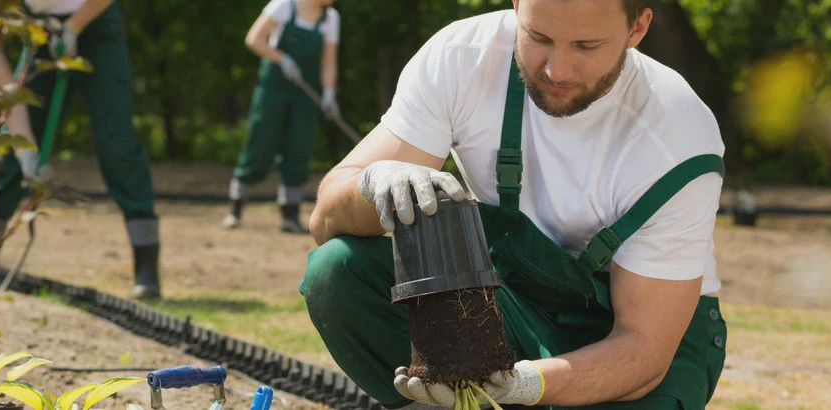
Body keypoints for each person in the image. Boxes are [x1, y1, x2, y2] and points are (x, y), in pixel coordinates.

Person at [300, 1, 727, 409]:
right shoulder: (462, 57)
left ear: (637, 28)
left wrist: (524, 384)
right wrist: (374, 183)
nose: (556, 69)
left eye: (587, 46)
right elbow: (325, 221)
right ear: (517, 5)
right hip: (511, 299)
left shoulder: (679, 135)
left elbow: (644, 351)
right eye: (538, 37)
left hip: (641, 333)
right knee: (339, 269)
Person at [0, 0, 163, 299]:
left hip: (97, 24)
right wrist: (26, 152)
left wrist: (74, 26)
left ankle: (146, 267)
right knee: (11, 144)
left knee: (115, 143)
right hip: (42, 34)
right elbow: (3, 87)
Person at [222, 0, 342, 234]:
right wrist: (281, 59)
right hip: (273, 88)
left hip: (305, 93)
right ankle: (235, 208)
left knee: (299, 147)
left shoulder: (331, 18)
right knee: (261, 143)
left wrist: (329, 92)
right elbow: (254, 39)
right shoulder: (284, 5)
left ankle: (290, 215)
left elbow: (328, 61)